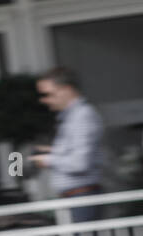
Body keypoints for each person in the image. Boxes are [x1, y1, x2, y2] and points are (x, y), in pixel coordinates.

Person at [31, 67, 103, 223]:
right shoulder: (72, 117)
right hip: (76, 198)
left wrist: (47, 160)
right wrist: (52, 151)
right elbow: (74, 150)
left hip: (82, 197)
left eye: (48, 94)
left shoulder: (82, 116)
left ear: (67, 90)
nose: (43, 100)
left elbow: (80, 163)